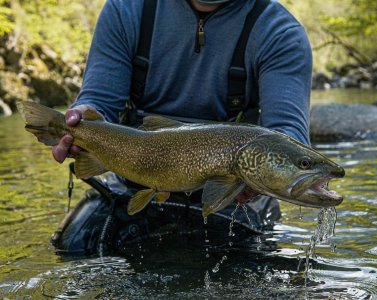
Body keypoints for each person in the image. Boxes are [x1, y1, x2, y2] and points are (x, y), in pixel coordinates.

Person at [50, 0, 312, 255]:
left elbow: (287, 132)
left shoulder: (280, 32)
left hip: (235, 189)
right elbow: (100, 102)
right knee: (74, 246)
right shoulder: (126, 8)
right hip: (135, 174)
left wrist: (265, 177)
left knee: (249, 263)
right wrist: (81, 118)